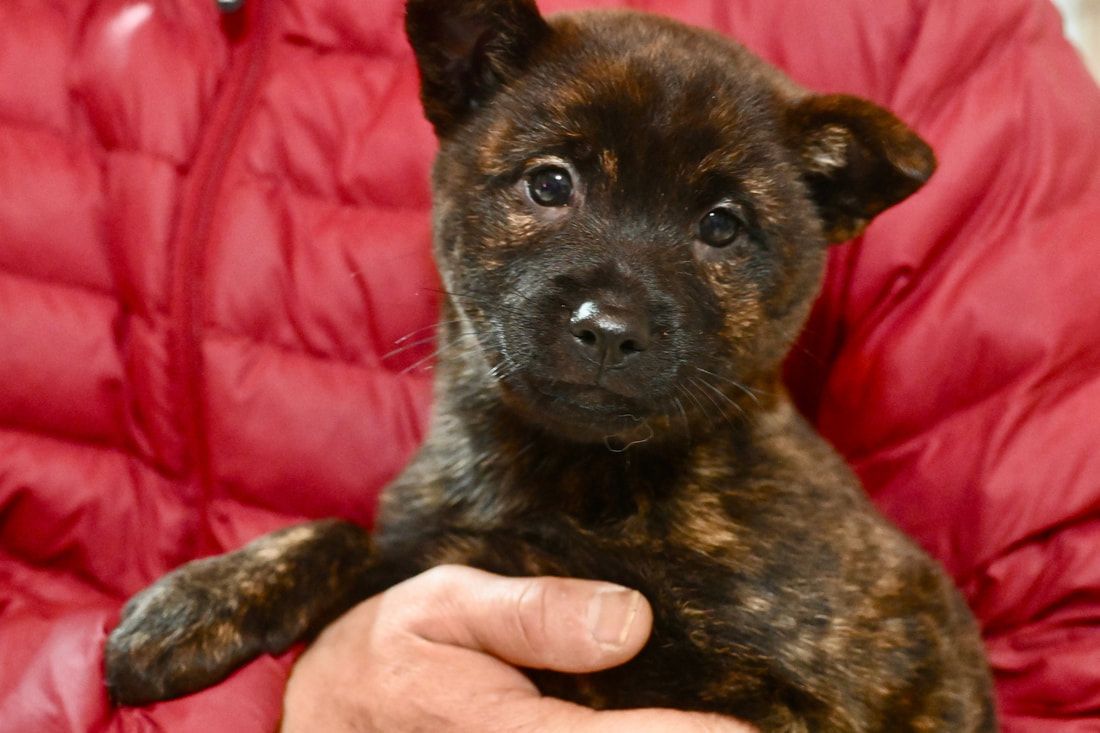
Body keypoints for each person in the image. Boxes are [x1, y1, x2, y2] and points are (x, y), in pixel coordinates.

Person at [0, 0, 1097, 730]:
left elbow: (1016, 643)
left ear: (828, 216)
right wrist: (291, 691)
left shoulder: (924, 27)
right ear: (461, 81)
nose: (611, 313)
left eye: (720, 229)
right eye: (549, 185)